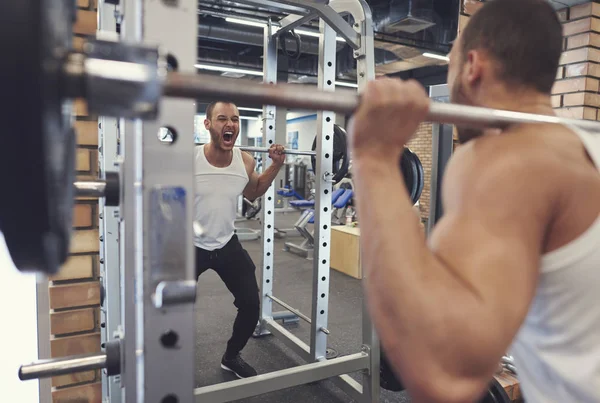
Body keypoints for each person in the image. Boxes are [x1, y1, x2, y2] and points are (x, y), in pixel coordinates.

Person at [349, 0, 600, 402]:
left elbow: (444, 372)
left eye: (449, 63)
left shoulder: (511, 160)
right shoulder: (586, 143)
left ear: (471, 66)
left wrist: (374, 158)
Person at [194, 101, 285, 378]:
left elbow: (254, 191)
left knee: (250, 306)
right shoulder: (189, 160)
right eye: (222, 119)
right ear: (208, 124)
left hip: (225, 243)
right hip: (190, 244)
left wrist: (276, 165)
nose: (230, 124)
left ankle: (231, 356)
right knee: (169, 307)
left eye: (235, 119)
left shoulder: (245, 160)